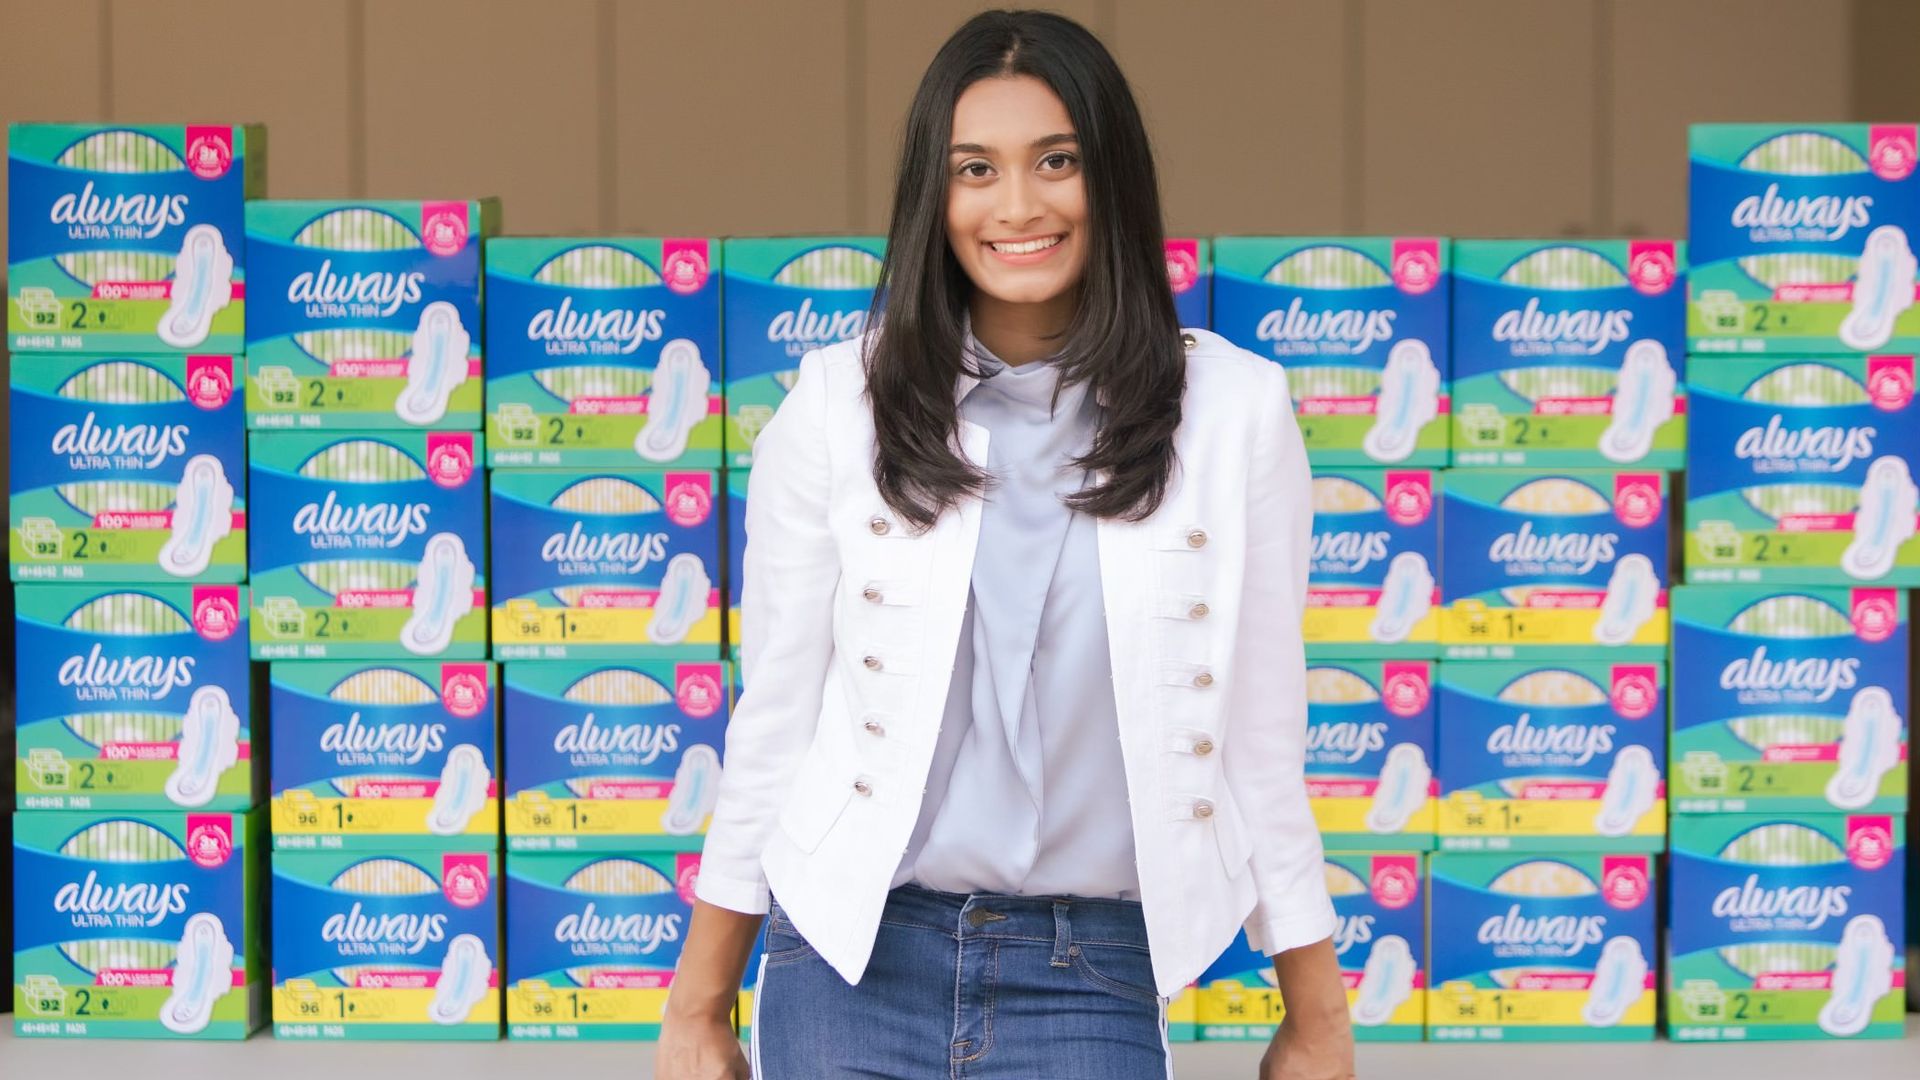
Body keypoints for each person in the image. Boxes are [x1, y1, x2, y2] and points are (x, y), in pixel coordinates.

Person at [657, 10, 1352, 1079]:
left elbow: (1259, 733)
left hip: (1093, 969)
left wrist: (1316, 1018)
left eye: (1056, 162)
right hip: (851, 958)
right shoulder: (839, 403)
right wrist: (697, 1007)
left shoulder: (1234, 412)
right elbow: (779, 719)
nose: (1017, 205)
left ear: (1111, 176)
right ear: (932, 198)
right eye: (974, 169)